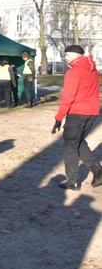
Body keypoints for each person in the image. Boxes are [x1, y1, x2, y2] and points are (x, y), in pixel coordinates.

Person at [52, 45, 102, 190]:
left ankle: (72, 180)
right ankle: (97, 169)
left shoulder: (74, 71)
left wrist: (59, 117)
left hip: (77, 112)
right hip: (91, 112)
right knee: (78, 141)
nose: (65, 57)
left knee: (70, 145)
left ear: (75, 55)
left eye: (67, 54)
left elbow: (68, 96)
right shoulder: (92, 70)